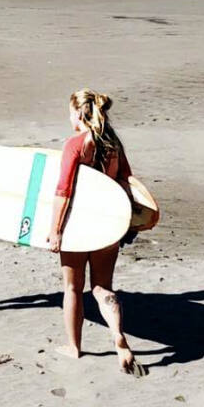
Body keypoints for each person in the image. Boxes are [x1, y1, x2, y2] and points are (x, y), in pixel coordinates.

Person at [48, 89, 144, 376]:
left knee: (73, 287)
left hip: (78, 225)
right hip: (108, 224)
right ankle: (117, 335)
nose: (69, 117)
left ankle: (74, 347)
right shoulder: (114, 144)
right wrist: (127, 221)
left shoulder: (75, 144)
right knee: (102, 288)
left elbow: (63, 191)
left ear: (79, 113)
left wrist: (55, 230)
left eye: (69, 112)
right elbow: (126, 181)